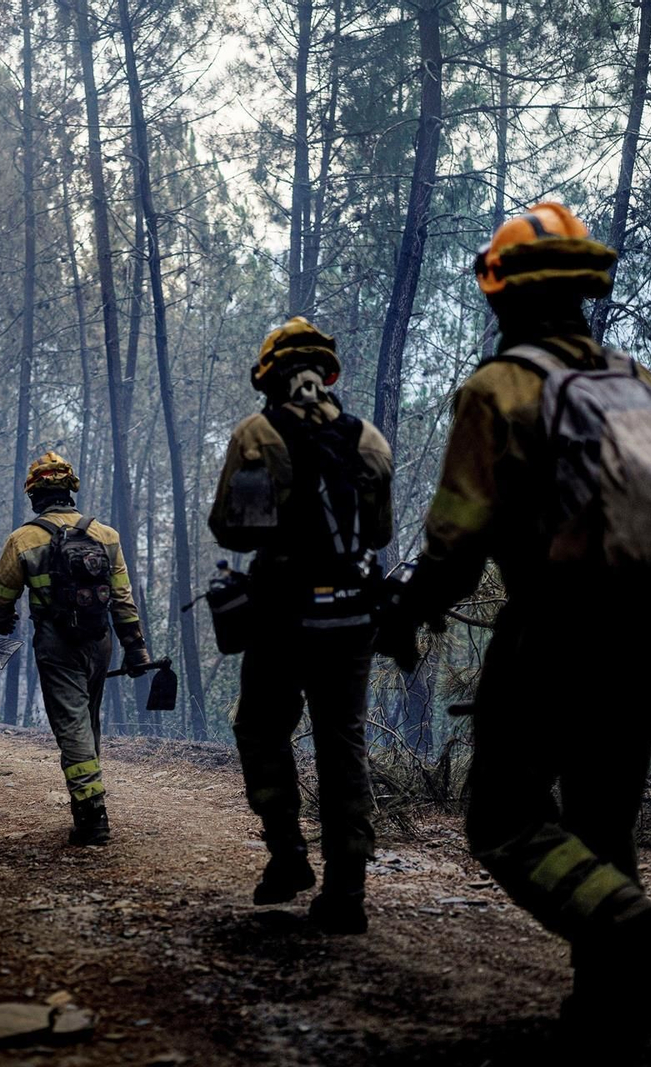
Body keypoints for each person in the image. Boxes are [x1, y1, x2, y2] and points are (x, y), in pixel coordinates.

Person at [383, 202, 651, 1049]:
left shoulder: (499, 391)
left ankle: (634, 927)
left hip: (554, 635)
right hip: (650, 638)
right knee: (603, 824)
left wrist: (405, 615)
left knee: (505, 820)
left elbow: (456, 546)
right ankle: (614, 1016)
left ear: (502, 294)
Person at [207, 316, 395, 935]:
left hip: (282, 618)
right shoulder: (369, 440)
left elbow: (235, 531)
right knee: (343, 745)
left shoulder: (258, 436)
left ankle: (287, 855)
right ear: (325, 374)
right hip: (353, 618)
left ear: (270, 377)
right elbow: (380, 535)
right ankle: (347, 892)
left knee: (261, 730)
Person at [0, 452, 151, 846]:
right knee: (87, 721)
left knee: (73, 726)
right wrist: (135, 648)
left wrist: (4, 621)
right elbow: (123, 598)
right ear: (70, 491)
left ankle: (92, 817)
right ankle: (89, 797)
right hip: (100, 641)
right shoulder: (106, 535)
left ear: (34, 496)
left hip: (57, 643)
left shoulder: (23, 539)